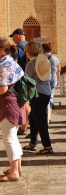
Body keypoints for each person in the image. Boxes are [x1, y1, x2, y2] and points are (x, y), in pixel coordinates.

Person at [0, 38, 26, 181]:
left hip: (9, 104)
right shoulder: (10, 61)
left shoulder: (4, 64)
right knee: (13, 137)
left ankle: (14, 173)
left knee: (8, 138)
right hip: (15, 102)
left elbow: (3, 89)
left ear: (1, 50)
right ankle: (17, 168)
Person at [22, 43, 53, 154]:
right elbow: (48, 76)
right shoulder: (43, 62)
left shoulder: (31, 63)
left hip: (37, 93)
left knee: (40, 120)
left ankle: (47, 146)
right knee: (33, 117)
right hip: (46, 91)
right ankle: (33, 143)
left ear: (28, 52)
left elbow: (26, 79)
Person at [42, 41, 61, 121]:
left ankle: (44, 113)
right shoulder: (55, 58)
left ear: (43, 49)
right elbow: (59, 70)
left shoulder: (41, 58)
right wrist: (58, 79)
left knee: (43, 96)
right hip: (53, 79)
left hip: (44, 79)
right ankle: (49, 115)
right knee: (51, 96)